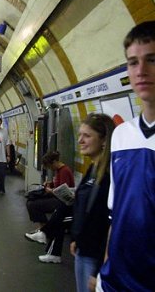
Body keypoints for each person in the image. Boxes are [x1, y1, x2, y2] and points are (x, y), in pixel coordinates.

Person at [97, 21, 155, 292]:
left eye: (152, 60)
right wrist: (103, 271)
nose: (141, 71)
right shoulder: (121, 135)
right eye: (133, 62)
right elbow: (115, 213)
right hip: (114, 282)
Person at [69, 113, 115, 292]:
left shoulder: (109, 175)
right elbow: (83, 209)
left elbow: (108, 223)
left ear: (104, 140)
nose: (80, 140)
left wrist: (99, 271)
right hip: (82, 249)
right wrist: (75, 238)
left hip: (95, 257)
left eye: (87, 136)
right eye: (80, 135)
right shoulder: (93, 168)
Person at [25, 151, 74, 233]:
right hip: (58, 199)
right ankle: (43, 228)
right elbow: (58, 185)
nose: (50, 168)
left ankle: (44, 230)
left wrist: (51, 191)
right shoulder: (59, 170)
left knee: (32, 205)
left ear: (54, 162)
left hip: (62, 202)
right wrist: (50, 184)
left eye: (49, 166)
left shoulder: (64, 171)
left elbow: (63, 191)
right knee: (30, 201)